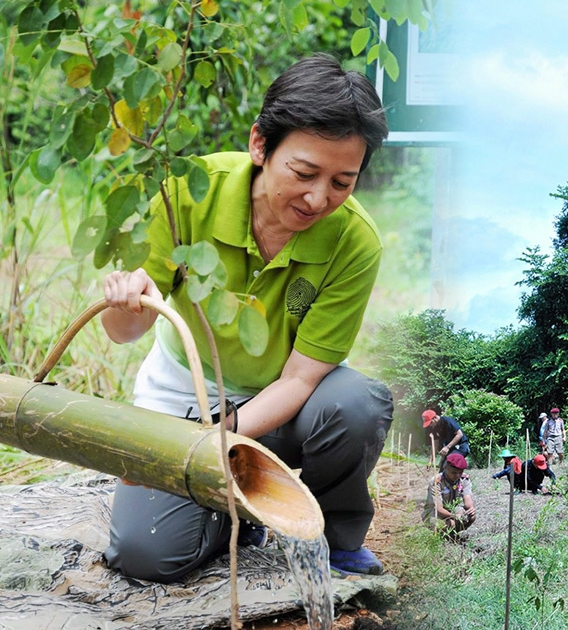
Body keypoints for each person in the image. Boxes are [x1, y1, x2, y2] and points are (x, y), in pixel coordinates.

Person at [98, 56, 392, 582]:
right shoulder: (191, 191)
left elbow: (302, 377)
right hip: (184, 401)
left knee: (356, 405)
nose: (318, 198)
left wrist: (225, 435)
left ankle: (332, 536)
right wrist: (125, 305)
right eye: (303, 173)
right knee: (146, 555)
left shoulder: (354, 240)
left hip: (282, 408)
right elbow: (126, 333)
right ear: (260, 144)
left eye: (342, 182)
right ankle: (236, 514)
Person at [432, 452, 475, 534]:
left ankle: (456, 533)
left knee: (471, 517)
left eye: (460, 472)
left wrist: (471, 509)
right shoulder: (437, 481)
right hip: (435, 512)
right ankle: (443, 536)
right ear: (445, 467)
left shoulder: (464, 479)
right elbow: (438, 508)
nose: (458, 475)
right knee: (445, 524)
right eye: (454, 472)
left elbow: (468, 498)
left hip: (453, 509)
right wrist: (454, 516)